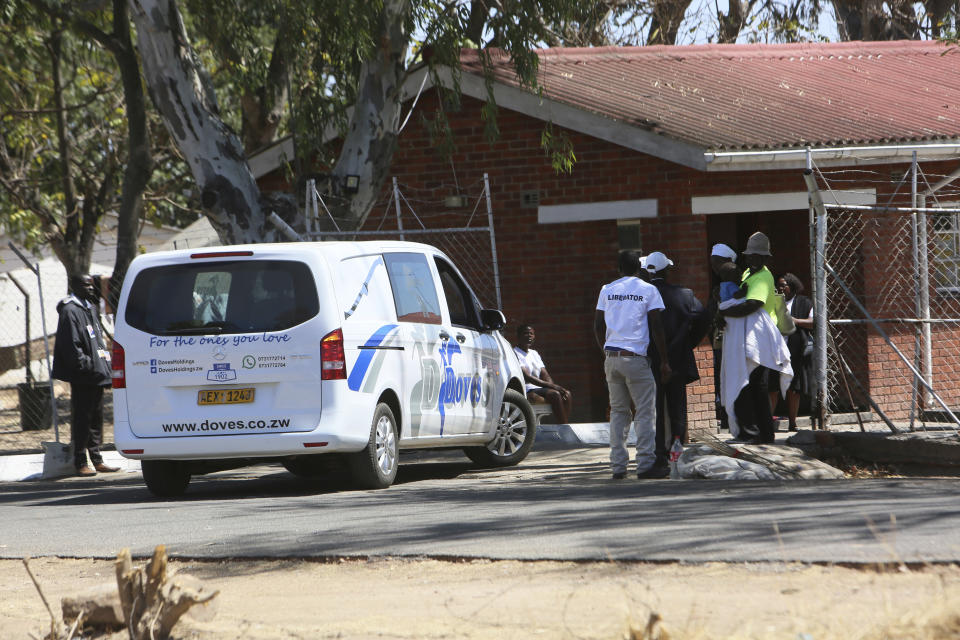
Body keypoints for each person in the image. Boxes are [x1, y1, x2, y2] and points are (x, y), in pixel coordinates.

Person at [594, 250, 671, 480]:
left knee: (618, 413)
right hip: (636, 359)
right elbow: (656, 325)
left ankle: (618, 466)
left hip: (612, 358)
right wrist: (665, 360)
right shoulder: (648, 290)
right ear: (639, 268)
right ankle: (645, 464)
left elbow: (597, 325)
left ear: (618, 269)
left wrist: (606, 353)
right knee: (645, 413)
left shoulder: (607, 289)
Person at [718, 232, 792, 445]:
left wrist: (724, 312)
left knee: (755, 387)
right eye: (749, 255)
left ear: (765, 258)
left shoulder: (763, 277)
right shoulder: (749, 272)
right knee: (751, 386)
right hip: (748, 336)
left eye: (756, 256)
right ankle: (759, 433)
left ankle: (758, 433)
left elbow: (752, 305)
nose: (750, 259)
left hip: (758, 338)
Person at [644, 252, 710, 470]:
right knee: (678, 407)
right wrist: (689, 342)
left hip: (650, 360)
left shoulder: (643, 295)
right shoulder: (685, 294)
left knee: (655, 409)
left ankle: (659, 455)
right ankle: (677, 450)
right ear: (666, 271)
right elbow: (703, 319)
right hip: (678, 358)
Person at [52, 274, 118, 477]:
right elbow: (71, 346)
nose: (90, 289)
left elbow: (96, 339)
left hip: (98, 372)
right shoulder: (70, 310)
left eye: (92, 285)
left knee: (96, 417)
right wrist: (87, 366)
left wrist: (104, 365)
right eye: (86, 285)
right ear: (74, 286)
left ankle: (97, 458)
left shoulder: (90, 307)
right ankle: (80, 461)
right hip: (84, 374)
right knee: (82, 418)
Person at [768, 273, 814, 431]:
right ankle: (768, 422)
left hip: (795, 351)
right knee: (772, 386)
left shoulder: (804, 302)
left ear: (793, 286)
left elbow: (813, 322)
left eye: (784, 285)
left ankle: (793, 423)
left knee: (794, 388)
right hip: (775, 351)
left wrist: (794, 321)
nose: (780, 288)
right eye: (778, 285)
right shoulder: (772, 302)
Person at [513, 324, 572, 424]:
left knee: (567, 394)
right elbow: (527, 377)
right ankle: (564, 427)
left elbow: (545, 375)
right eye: (525, 333)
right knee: (555, 395)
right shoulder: (515, 353)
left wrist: (553, 386)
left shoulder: (534, 353)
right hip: (526, 389)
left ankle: (564, 427)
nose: (529, 336)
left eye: (531, 334)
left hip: (539, 388)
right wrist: (553, 387)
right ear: (518, 336)